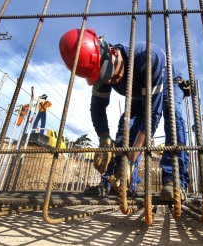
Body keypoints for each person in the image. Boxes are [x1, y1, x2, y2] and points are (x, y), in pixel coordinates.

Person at [59, 28, 190, 201]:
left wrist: (131, 160)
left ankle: (174, 180)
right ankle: (116, 181)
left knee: (172, 114)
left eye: (109, 75)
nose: (109, 81)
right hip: (138, 93)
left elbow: (152, 115)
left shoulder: (148, 57)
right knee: (127, 127)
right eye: (102, 78)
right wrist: (104, 139)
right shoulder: (102, 70)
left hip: (165, 86)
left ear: (113, 52)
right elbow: (98, 108)